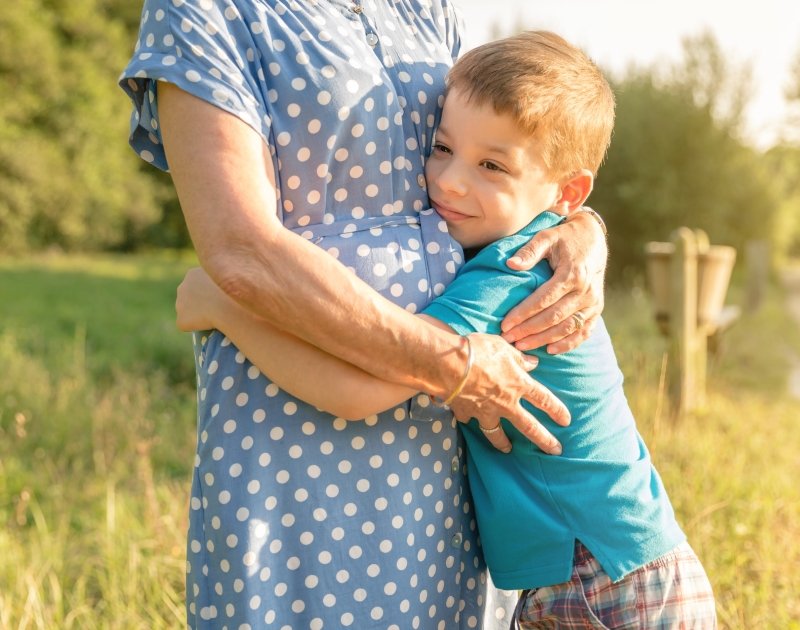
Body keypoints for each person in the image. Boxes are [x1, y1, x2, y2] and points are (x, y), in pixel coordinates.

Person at [177, 31, 717, 628]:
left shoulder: (507, 274)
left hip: (601, 582)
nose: (451, 181)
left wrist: (225, 308)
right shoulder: (516, 252)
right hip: (620, 569)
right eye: (441, 148)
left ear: (567, 193)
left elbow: (361, 393)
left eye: (491, 165)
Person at [119, 1, 608, 627]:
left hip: (443, 433)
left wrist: (576, 226)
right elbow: (240, 247)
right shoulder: (209, 10)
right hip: (296, 402)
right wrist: (455, 363)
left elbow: (511, 147)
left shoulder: (424, 5)